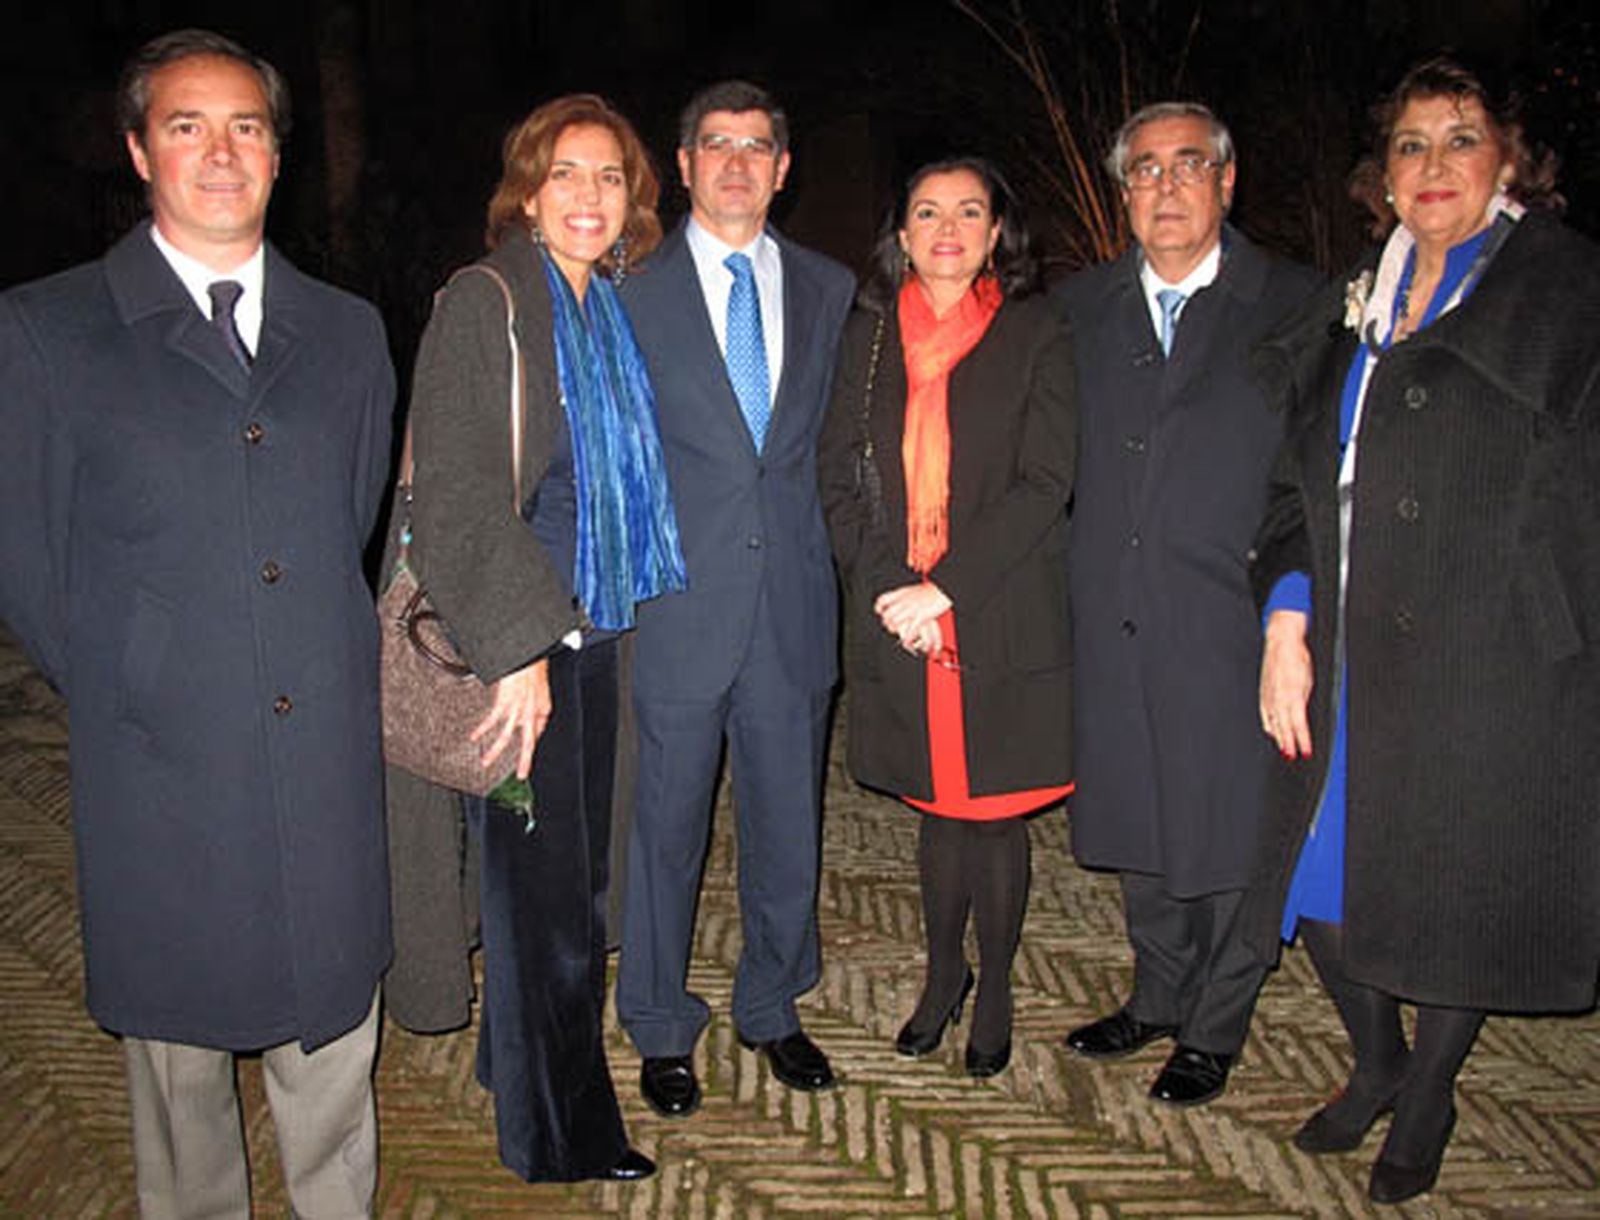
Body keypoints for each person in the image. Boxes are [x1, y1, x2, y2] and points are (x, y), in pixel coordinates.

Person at [0, 29, 394, 1217]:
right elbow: (31, 564)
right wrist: (148, 671)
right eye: (187, 125)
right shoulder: (48, 330)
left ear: (278, 154)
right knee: (180, 1073)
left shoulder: (350, 332)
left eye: (248, 127)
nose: (221, 152)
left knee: (332, 1048)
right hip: (161, 762)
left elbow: (350, 519)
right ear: (138, 149)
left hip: (322, 747)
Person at [1248, 56, 1600, 1204]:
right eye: (1409, 143)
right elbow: (1295, 479)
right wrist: (1287, 615)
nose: (1433, 163)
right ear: (1381, 174)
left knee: (1458, 884)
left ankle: (1434, 1083)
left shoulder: (1567, 292)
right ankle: (1378, 1059)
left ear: (1507, 158)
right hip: (1347, 638)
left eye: (1460, 137)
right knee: (1325, 878)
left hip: (1489, 651)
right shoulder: (1351, 298)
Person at [393, 94, 685, 1184]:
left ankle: (509, 1065)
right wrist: (517, 654)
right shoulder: (488, 301)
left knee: (563, 881)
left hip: (593, 634)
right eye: (567, 173)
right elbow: (457, 491)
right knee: (541, 895)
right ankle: (559, 1130)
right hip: (519, 658)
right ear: (527, 187)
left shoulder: (599, 304)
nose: (590, 195)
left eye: (610, 176)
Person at [1055, 102, 1317, 1107]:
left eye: (1187, 165)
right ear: (1123, 191)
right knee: (1138, 816)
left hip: (1232, 617)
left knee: (1228, 827)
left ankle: (1215, 1020)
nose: (1165, 187)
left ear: (1227, 179)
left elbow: (1310, 485)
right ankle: (1158, 992)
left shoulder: (1296, 305)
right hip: (1109, 612)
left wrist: (1291, 610)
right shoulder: (1078, 309)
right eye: (1145, 170)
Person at [615, 80, 854, 1118]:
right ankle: (661, 1020)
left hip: (792, 603)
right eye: (716, 144)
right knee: (662, 829)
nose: (738, 163)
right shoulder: (627, 290)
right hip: (676, 605)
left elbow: (843, 449)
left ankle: (771, 1001)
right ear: (682, 163)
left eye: (758, 146)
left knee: (785, 821)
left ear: (783, 167)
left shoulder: (832, 288)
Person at [818, 157, 1075, 1077]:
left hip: (995, 605)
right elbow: (841, 470)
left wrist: (948, 587)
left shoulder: (1039, 329)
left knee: (992, 810)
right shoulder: (871, 335)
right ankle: (941, 979)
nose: (949, 228)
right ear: (901, 234)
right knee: (938, 807)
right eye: (928, 211)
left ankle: (996, 988)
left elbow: (1048, 481)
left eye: (971, 210)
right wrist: (893, 589)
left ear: (999, 228)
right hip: (905, 615)